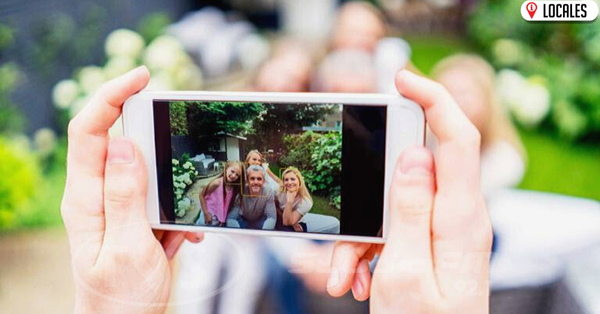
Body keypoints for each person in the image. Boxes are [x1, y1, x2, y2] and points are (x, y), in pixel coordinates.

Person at [61, 66, 492, 313]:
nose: (252, 172)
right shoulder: (235, 185)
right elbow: (229, 205)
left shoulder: (278, 188)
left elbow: (284, 216)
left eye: (258, 168)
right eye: (247, 167)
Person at [431, 54, 526, 196]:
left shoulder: (504, 159)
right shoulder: (424, 145)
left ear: (488, 100)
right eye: (445, 93)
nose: (453, 102)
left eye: (463, 93)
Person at [226, 165, 277, 230]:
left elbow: (271, 217)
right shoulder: (241, 192)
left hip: (260, 221)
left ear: (264, 180)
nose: (256, 182)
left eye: (259, 179)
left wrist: (263, 234)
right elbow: (231, 218)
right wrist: (240, 235)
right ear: (247, 180)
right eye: (252, 178)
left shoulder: (268, 192)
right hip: (244, 221)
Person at [195, 160, 244, 227]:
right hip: (208, 215)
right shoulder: (217, 183)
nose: (233, 175)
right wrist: (206, 214)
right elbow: (201, 195)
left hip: (217, 219)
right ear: (226, 169)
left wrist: (222, 220)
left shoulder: (232, 188)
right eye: (232, 171)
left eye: (237, 175)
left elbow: (225, 205)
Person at [276, 167, 313, 232]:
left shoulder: (306, 201)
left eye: (292, 179)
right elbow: (275, 207)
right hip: (280, 219)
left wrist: (290, 201)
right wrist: (292, 223)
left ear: (299, 181)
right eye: (286, 180)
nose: (289, 182)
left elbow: (286, 222)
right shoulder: (279, 192)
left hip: (298, 222)